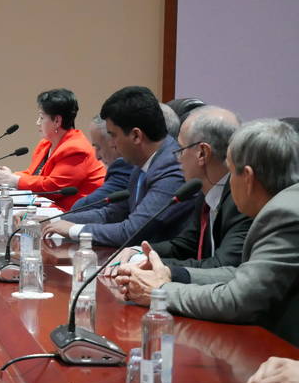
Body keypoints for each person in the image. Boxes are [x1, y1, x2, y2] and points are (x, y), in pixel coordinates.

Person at [116, 120, 299, 346]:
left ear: (248, 177)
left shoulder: (284, 214)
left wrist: (160, 290)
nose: (228, 182)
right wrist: (171, 275)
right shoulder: (284, 205)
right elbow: (243, 275)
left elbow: (240, 300)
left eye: (230, 171)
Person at [109, 106, 251, 281]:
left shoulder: (242, 201)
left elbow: (221, 267)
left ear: (202, 153)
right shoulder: (205, 191)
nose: (177, 158)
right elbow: (185, 246)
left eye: (181, 149)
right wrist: (139, 252)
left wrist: (157, 267)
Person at [42, 86, 197, 246]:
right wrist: (53, 221)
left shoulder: (172, 167)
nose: (112, 144)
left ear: (136, 136)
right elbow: (112, 214)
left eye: (113, 135)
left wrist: (74, 230)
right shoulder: (141, 164)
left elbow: (132, 231)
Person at [0, 88, 105, 210]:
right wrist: (8, 176)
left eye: (41, 117)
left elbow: (54, 188)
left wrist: (15, 180)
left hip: (77, 213)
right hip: (51, 210)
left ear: (57, 121)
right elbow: (34, 175)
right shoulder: (46, 144)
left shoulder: (76, 149)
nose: (37, 122)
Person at [71, 115, 134, 210]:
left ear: (114, 142)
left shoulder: (124, 167)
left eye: (98, 147)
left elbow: (80, 208)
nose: (97, 157)